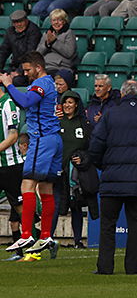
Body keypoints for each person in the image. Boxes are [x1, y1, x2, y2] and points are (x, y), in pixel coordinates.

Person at [89, 80, 137, 275]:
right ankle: (133, 268)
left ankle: (105, 267)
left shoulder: (109, 115)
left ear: (122, 94)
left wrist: (105, 167)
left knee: (108, 225)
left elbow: (95, 148)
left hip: (111, 181)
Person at [2, 51, 62, 256]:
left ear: (38, 67)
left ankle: (26, 233)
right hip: (54, 139)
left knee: (27, 183)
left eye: (28, 69)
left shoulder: (42, 83)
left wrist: (8, 84)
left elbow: (26, 101)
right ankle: (46, 236)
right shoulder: (50, 83)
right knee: (46, 188)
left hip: (42, 140)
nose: (25, 73)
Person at [56, 90, 92, 249]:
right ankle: (47, 238)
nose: (67, 105)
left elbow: (91, 148)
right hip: (58, 170)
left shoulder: (84, 123)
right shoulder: (57, 122)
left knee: (76, 205)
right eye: (65, 102)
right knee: (56, 204)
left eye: (70, 102)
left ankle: (77, 240)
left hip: (76, 173)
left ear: (76, 104)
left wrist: (83, 158)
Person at [0, 86, 25, 261]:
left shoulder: (8, 103)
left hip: (10, 165)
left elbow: (13, 135)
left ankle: (31, 245)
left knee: (20, 208)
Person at [0, 10, 41, 87]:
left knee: (16, 81)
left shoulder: (34, 31)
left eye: (20, 22)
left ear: (26, 20)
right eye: (15, 22)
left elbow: (30, 54)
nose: (18, 24)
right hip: (14, 67)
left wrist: (19, 72)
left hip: (29, 69)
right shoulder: (10, 32)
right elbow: (3, 51)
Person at [36, 9, 77, 76]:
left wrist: (54, 42)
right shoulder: (47, 34)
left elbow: (69, 53)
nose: (56, 22)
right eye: (54, 20)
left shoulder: (69, 33)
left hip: (61, 67)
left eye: (59, 20)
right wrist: (47, 44)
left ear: (64, 21)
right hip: (45, 66)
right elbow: (38, 53)